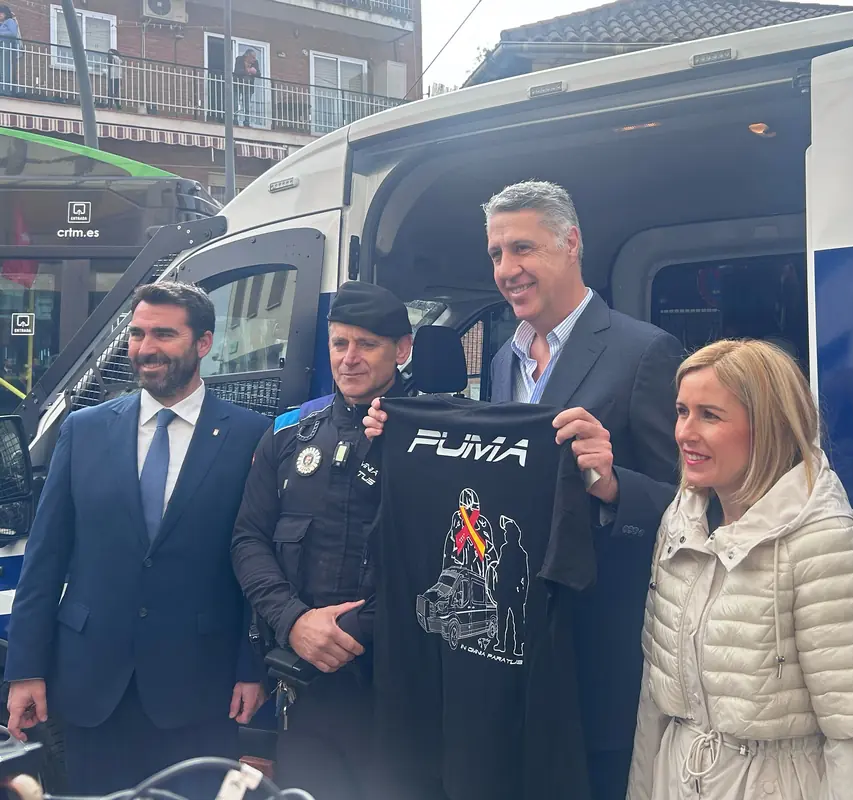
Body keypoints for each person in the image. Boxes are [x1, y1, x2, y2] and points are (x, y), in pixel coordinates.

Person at [365, 179, 683, 800]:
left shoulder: (645, 351)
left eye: (523, 248)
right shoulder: (502, 361)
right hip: (506, 657)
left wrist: (614, 484)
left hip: (592, 655)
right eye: (496, 253)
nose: (507, 269)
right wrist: (400, 440)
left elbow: (690, 503)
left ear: (571, 244)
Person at [5, 282, 269, 795]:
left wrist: (250, 667)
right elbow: (45, 558)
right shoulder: (84, 430)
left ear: (204, 342)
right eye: (137, 334)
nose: (146, 348)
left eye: (164, 334)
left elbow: (254, 562)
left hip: (199, 687)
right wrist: (25, 670)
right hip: (91, 687)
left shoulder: (250, 435)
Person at [626, 338, 853, 800]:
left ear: (769, 427)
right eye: (682, 411)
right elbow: (653, 705)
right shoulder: (679, 524)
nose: (684, 433)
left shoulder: (824, 544)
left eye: (709, 415)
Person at [231, 280, 414, 799]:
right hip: (307, 687)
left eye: (367, 344)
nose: (349, 358)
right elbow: (248, 540)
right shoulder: (289, 433)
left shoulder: (440, 434)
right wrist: (293, 621)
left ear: (402, 349)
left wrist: (349, 631)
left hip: (401, 689)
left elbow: (451, 557)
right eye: (339, 343)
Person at [0, 5, 19, 96]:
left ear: (6, 13)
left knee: (4, 68)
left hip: (6, 46)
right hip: (1, 46)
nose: (0, 14)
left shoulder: (10, 21)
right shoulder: (1, 24)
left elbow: (13, 33)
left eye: (1, 12)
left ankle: (5, 89)